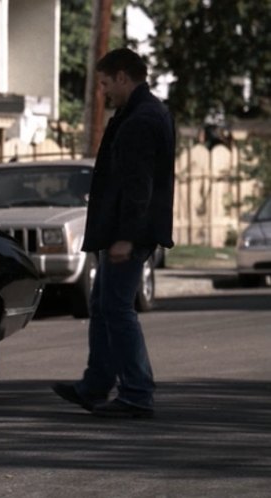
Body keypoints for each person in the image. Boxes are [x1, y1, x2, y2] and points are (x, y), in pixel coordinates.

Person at [52, 48, 175, 419]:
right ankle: (95, 384)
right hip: (120, 229)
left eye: (105, 83)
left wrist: (127, 237)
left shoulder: (141, 118)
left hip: (128, 232)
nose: (103, 92)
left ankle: (137, 393)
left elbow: (139, 186)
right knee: (104, 306)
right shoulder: (140, 112)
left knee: (118, 309)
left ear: (123, 77)